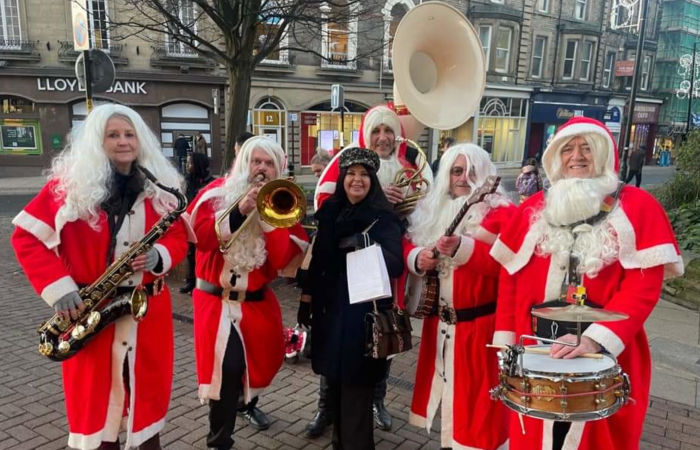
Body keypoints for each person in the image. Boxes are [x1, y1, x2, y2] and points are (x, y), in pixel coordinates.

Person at [490, 117, 684, 450]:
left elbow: (643, 288)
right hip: (535, 349)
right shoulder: (533, 209)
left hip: (605, 356)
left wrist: (596, 339)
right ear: (555, 157)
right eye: (567, 149)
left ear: (604, 154)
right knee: (534, 433)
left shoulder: (638, 207)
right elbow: (510, 280)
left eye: (586, 148)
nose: (576, 156)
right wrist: (506, 343)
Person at [11, 104, 188, 450]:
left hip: (148, 313)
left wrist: (159, 255)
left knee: (147, 399)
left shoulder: (159, 186)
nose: (123, 142)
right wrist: (60, 289)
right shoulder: (69, 187)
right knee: (95, 408)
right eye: (113, 135)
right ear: (97, 141)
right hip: (90, 311)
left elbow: (178, 236)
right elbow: (26, 237)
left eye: (129, 134)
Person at [187, 136, 308, 450]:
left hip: (256, 306)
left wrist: (268, 219)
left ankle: (243, 403)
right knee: (225, 371)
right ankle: (219, 441)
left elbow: (282, 261)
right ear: (244, 163)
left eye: (269, 163)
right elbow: (200, 238)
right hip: (215, 302)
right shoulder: (215, 195)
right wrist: (240, 209)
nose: (262, 169)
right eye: (256, 161)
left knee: (257, 365)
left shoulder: (283, 203)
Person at [313, 104, 429, 431]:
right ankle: (326, 408)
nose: (382, 137)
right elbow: (325, 199)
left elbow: (425, 217)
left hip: (388, 265)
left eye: (388, 130)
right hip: (345, 271)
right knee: (336, 334)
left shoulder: (411, 166)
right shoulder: (349, 160)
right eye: (376, 130)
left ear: (397, 135)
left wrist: (400, 211)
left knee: (383, 331)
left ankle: (376, 401)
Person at [404, 144, 513, 450]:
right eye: (456, 171)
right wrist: (416, 256)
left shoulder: (504, 214)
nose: (464, 178)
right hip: (439, 326)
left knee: (480, 412)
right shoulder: (430, 210)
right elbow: (406, 242)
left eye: (472, 171)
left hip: (481, 330)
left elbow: (511, 267)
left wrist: (464, 249)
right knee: (449, 402)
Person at [297, 147, 404, 449]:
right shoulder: (331, 211)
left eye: (364, 175)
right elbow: (318, 260)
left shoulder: (384, 217)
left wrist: (365, 242)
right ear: (343, 178)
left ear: (372, 181)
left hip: (363, 318)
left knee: (357, 393)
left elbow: (396, 264)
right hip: (331, 313)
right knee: (336, 387)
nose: (357, 180)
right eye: (351, 174)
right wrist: (306, 298)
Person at [180, 153, 215, 294]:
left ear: (199, 164)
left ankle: (200, 282)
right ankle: (190, 281)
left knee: (202, 253)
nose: (187, 166)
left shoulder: (211, 182)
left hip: (204, 222)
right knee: (190, 253)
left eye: (190, 163)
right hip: (190, 221)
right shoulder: (186, 181)